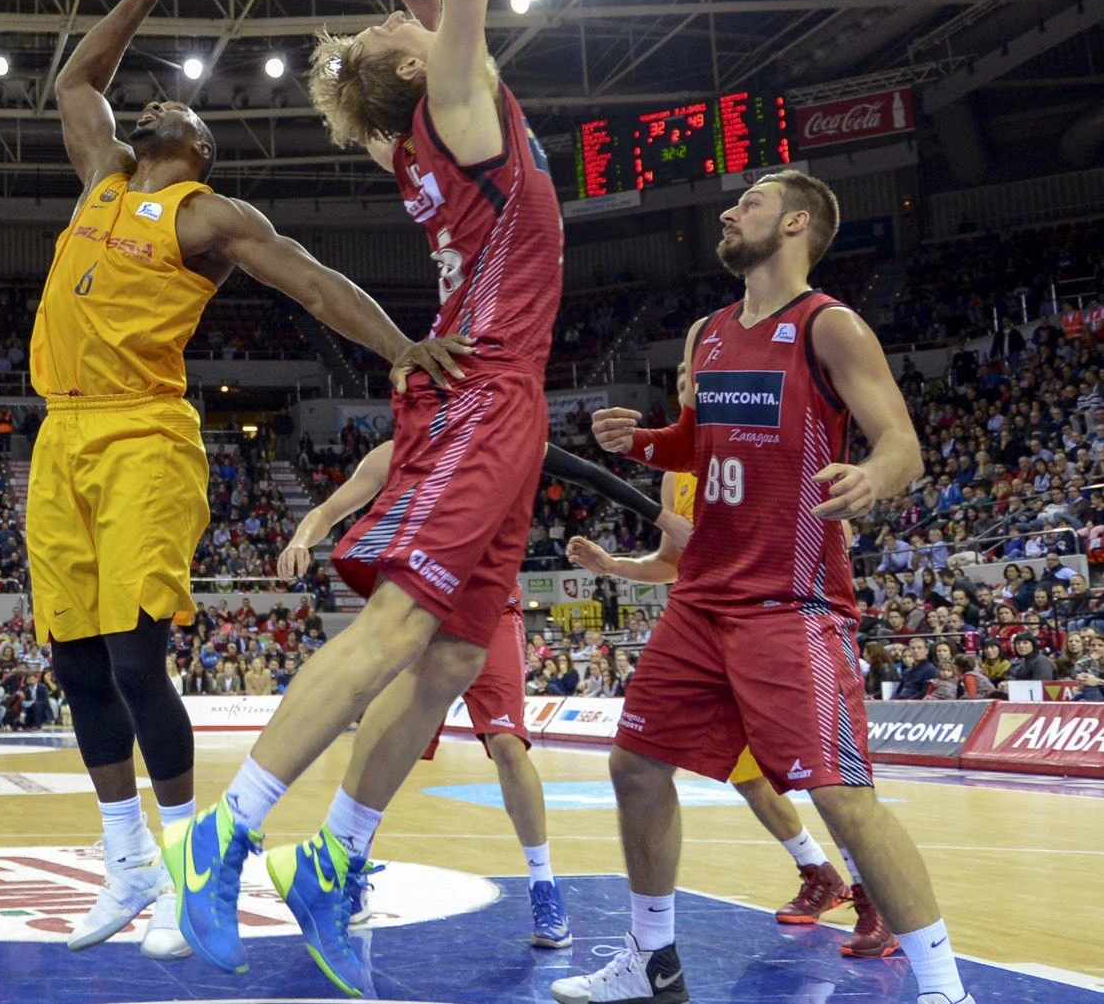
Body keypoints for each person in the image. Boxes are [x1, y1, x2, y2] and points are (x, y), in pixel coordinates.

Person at [168, 0, 562, 995]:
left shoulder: (420, 141)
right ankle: (222, 832)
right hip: (484, 389)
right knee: (399, 631)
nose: (423, 23)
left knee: (447, 661)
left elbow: (444, 55)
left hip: (504, 395)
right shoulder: (451, 111)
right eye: (412, 33)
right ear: (416, 72)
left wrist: (431, 24)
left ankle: (333, 858)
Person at [31, 0, 465, 960]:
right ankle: (126, 857)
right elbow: (74, 79)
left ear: (201, 150)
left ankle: (189, 868)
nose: (151, 107)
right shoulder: (100, 175)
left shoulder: (207, 215)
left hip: (142, 432)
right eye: (150, 107)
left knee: (137, 659)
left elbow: (312, 279)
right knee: (76, 663)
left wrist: (401, 344)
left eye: (173, 110)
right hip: (60, 437)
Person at [558, 171, 970, 1004]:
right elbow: (705, 447)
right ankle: (653, 957)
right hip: (704, 598)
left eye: (747, 202)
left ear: (795, 224)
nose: (727, 211)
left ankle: (944, 989)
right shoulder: (708, 333)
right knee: (635, 765)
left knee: (844, 799)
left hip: (790, 602)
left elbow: (904, 445)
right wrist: (640, 442)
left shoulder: (830, 326)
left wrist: (871, 476)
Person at [279, 439, 689, 951]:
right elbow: (331, 507)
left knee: (507, 746)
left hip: (490, 607)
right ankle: (350, 871)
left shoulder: (502, 432)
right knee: (381, 744)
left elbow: (585, 470)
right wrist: (301, 537)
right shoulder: (397, 451)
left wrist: (660, 517)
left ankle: (544, 886)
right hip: (416, 608)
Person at [568, 431, 889, 949]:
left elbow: (834, 542)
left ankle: (875, 895)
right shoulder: (677, 476)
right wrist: (613, 566)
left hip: (781, 626)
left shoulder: (770, 448)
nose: (694, 395)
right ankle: (819, 873)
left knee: (820, 774)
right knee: (748, 778)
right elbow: (671, 563)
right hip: (708, 635)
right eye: (685, 387)